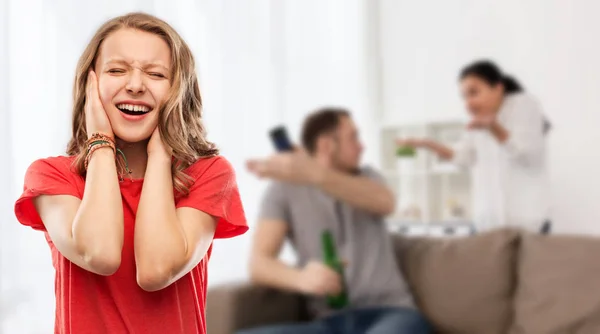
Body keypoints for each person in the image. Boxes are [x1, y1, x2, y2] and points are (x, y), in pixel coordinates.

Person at [13, 12, 247, 334]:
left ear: (178, 90)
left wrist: (161, 155)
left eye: (155, 74)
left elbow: (155, 270)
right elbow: (100, 254)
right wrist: (101, 143)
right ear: (90, 84)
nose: (135, 85)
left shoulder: (209, 174)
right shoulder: (52, 176)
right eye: (116, 70)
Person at [241, 108, 431, 334]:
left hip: (392, 314)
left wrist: (314, 173)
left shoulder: (368, 179)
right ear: (326, 145)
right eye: (353, 137)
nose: (362, 146)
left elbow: (386, 203)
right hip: (328, 323)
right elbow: (259, 264)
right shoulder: (283, 190)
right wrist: (301, 278)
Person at [396, 60, 551, 234]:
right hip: (486, 224)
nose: (468, 103)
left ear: (498, 88)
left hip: (526, 225)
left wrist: (493, 127)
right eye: (464, 97)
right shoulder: (479, 120)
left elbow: (526, 155)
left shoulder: (524, 104)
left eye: (474, 93)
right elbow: (463, 158)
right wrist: (427, 144)